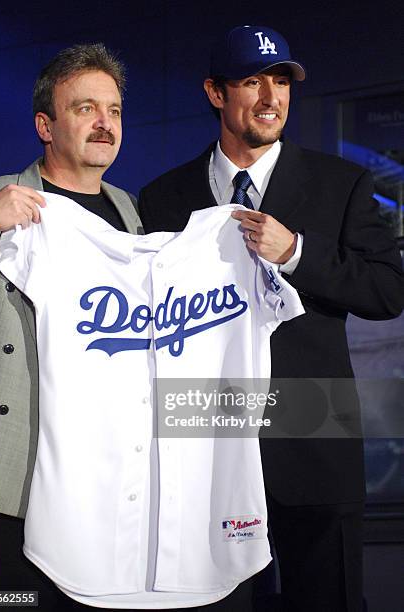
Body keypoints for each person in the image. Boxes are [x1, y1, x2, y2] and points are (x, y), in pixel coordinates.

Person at [138, 25, 404, 612]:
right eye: (251, 81)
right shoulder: (161, 199)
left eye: (281, 80)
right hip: (207, 440)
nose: (271, 97)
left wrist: (298, 254)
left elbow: (388, 291)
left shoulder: (341, 184)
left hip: (315, 432)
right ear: (215, 92)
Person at [0, 43, 141, 609]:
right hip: (9, 483)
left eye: (113, 110)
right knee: (9, 605)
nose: (104, 124)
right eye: (85, 108)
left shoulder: (133, 218)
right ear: (45, 125)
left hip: (102, 482)